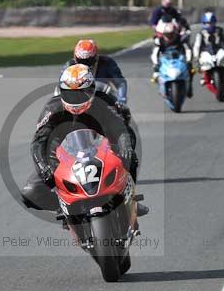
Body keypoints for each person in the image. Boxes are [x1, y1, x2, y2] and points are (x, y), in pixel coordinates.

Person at [22, 64, 147, 216]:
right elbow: (38, 142)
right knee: (30, 192)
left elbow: (120, 128)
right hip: (62, 160)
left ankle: (130, 200)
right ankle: (65, 207)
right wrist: (44, 168)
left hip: (104, 153)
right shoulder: (52, 108)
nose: (75, 99)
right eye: (70, 94)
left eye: (80, 94)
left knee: (130, 157)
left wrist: (125, 145)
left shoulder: (104, 102)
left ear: (92, 90)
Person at [65, 39, 128, 106]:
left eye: (88, 60)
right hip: (76, 101)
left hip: (103, 99)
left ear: (95, 56)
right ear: (75, 57)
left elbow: (120, 82)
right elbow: (61, 86)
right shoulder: (70, 65)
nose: (85, 64)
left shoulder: (107, 62)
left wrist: (122, 100)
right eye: (80, 60)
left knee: (122, 110)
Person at [150, 19, 195, 97]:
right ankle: (162, 89)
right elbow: (154, 54)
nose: (169, 36)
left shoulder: (181, 39)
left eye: (171, 34)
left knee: (190, 70)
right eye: (167, 34)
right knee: (155, 75)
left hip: (179, 59)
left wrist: (188, 61)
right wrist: (155, 64)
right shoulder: (159, 41)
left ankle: (189, 86)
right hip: (165, 60)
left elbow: (188, 50)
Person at [192, 12, 224, 84]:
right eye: (207, 23)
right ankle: (204, 75)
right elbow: (197, 45)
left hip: (218, 49)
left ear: (214, 22)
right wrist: (196, 57)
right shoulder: (201, 33)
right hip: (206, 51)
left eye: (211, 22)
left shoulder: (220, 30)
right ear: (204, 23)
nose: (209, 25)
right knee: (203, 61)